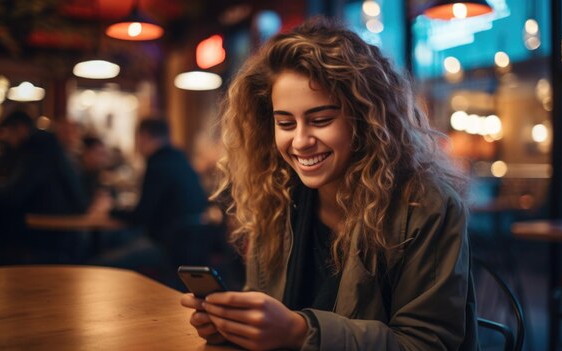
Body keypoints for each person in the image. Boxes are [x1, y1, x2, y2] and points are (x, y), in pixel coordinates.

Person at [180, 18, 478, 350]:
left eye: (321, 120)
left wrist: (299, 332)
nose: (301, 140)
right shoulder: (277, 196)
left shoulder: (427, 207)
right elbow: (265, 306)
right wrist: (237, 326)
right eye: (285, 122)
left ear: (366, 119)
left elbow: (427, 343)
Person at [108, 118, 209, 276]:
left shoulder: (158, 164)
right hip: (191, 246)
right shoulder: (181, 159)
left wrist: (111, 210)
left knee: (100, 264)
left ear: (144, 136)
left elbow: (140, 216)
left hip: (165, 246)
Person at [0, 109, 88, 263]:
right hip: (62, 235)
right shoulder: (50, 147)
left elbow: (14, 194)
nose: (6, 138)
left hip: (49, 238)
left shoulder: (38, 150)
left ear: (21, 129)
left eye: (8, 132)